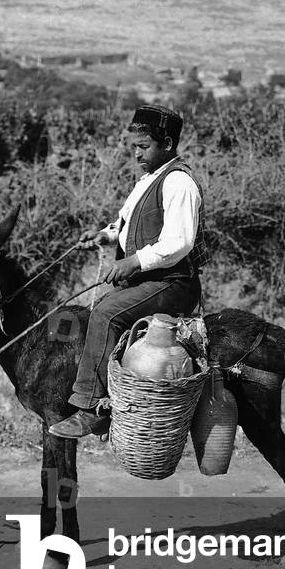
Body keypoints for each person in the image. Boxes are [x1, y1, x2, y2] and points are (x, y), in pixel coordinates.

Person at [48, 105, 208, 439]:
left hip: (173, 282)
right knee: (97, 312)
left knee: (105, 314)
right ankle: (115, 398)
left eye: (143, 146)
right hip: (151, 280)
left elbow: (179, 242)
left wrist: (132, 262)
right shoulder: (147, 180)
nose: (136, 153)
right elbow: (125, 222)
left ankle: (91, 410)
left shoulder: (179, 182)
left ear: (166, 142)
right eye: (133, 146)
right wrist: (104, 235)